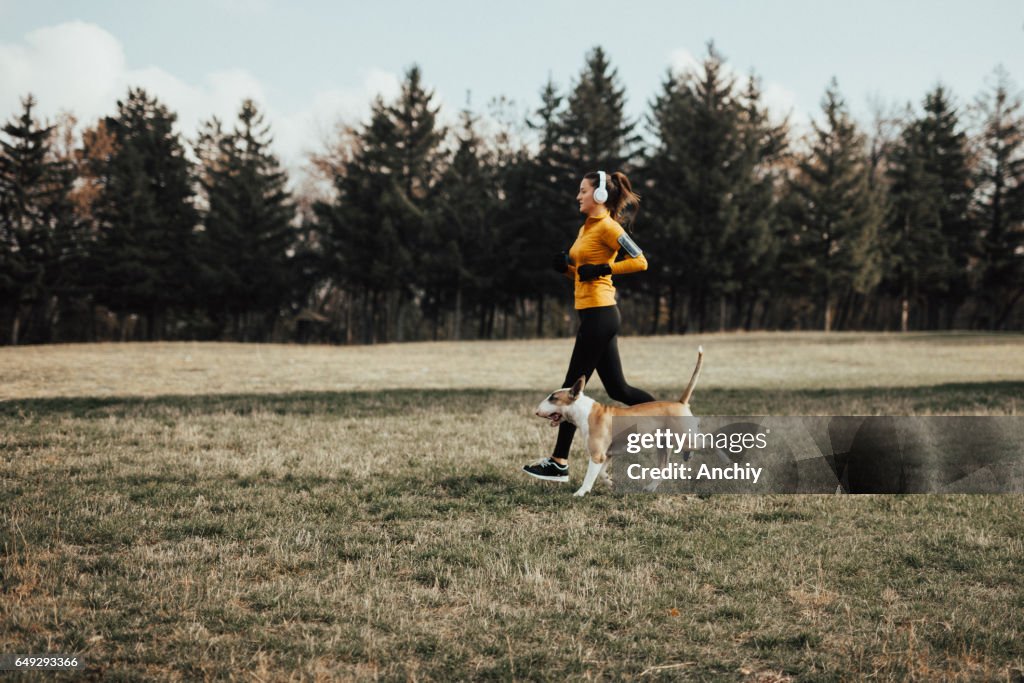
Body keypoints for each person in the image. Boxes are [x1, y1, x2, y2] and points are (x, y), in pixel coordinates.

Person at [523, 170, 655, 483]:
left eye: (583, 191)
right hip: (593, 314)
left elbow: (640, 261)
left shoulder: (609, 226)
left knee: (572, 387)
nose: (578, 196)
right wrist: (567, 269)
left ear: (599, 196)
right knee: (618, 389)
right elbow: (585, 274)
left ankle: (558, 462)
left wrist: (606, 266)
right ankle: (672, 419)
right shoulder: (587, 227)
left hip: (601, 315)